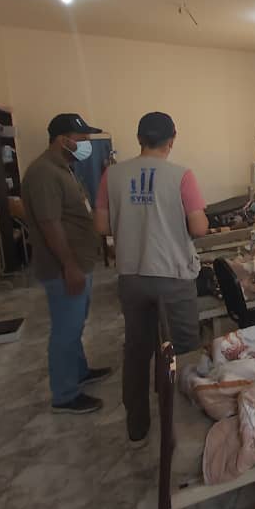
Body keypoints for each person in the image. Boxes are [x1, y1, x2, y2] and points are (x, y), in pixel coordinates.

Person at [94, 112, 209, 446]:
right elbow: (199, 227)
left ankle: (138, 427)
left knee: (137, 350)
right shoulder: (181, 176)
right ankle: (182, 433)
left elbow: (101, 226)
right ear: (172, 140)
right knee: (183, 352)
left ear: (139, 139)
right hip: (172, 276)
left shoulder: (112, 175)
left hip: (131, 276)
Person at [22, 113, 112, 414]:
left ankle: (79, 371)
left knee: (76, 324)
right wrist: (70, 266)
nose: (86, 145)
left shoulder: (64, 169)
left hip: (78, 262)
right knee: (65, 329)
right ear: (63, 140)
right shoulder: (43, 173)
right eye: (82, 139)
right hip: (64, 267)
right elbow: (50, 224)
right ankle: (64, 394)